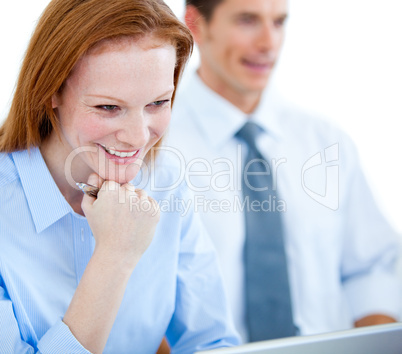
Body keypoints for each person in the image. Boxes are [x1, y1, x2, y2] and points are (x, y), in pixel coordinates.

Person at [0, 0, 241, 352]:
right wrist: (114, 257)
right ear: (50, 90)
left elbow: (212, 341)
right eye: (109, 107)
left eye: (158, 103)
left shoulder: (165, 183)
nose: (138, 136)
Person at [167, 0, 401, 343]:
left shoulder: (325, 142)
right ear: (196, 24)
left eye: (279, 22)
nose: (268, 43)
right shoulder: (155, 147)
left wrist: (369, 343)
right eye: (247, 20)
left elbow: (371, 267)